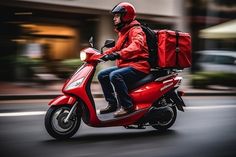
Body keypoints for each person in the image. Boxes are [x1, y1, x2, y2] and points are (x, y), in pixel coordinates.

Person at [98, 2, 150, 117]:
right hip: (127, 65)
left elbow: (137, 45)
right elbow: (117, 47)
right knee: (102, 75)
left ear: (125, 16)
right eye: (114, 16)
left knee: (115, 76)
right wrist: (102, 55)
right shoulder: (124, 31)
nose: (114, 19)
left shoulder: (136, 30)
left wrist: (118, 54)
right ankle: (112, 104)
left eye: (117, 16)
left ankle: (127, 106)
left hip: (139, 66)